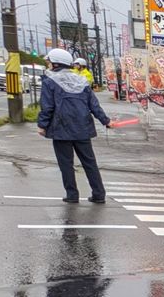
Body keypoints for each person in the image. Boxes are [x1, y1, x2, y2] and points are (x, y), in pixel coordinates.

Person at [38, 48, 111, 204]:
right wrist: (105, 121)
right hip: (83, 127)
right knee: (89, 162)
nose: (48, 64)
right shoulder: (81, 80)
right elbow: (94, 105)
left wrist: (42, 125)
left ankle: (72, 195)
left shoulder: (49, 81)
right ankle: (99, 194)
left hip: (60, 128)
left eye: (49, 61)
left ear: (55, 63)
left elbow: (47, 107)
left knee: (66, 163)